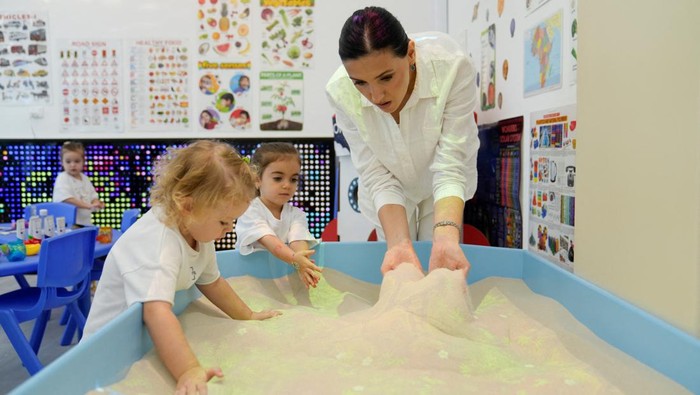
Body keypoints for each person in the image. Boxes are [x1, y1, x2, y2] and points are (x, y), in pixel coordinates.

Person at [83, 140, 281, 394]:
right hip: (107, 356)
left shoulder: (199, 230)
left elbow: (213, 282)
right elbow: (156, 312)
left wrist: (248, 315)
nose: (229, 229)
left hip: (144, 342)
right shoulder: (159, 242)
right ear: (187, 206)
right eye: (224, 220)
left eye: (233, 221)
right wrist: (188, 369)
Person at [325, 7, 479, 277]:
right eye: (360, 83)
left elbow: (450, 165)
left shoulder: (451, 67)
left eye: (386, 77)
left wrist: (446, 237)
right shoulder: (340, 91)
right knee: (401, 264)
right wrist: (397, 243)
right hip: (390, 189)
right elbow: (376, 174)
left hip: (441, 184)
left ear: (410, 53)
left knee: (442, 263)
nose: (375, 95)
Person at [235, 142, 322, 292]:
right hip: (251, 280)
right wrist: (296, 260)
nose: (287, 185)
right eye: (278, 178)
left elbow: (298, 240)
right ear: (257, 179)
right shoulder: (250, 210)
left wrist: (303, 263)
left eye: (293, 179)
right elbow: (270, 241)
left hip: (281, 278)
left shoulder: (297, 214)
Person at [52, 141, 105, 226]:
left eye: (77, 161)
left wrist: (97, 203)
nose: (72, 165)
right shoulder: (62, 177)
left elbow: (93, 196)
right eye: (68, 162)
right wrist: (88, 206)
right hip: (67, 224)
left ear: (83, 161)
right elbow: (67, 198)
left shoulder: (85, 178)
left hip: (85, 222)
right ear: (62, 162)